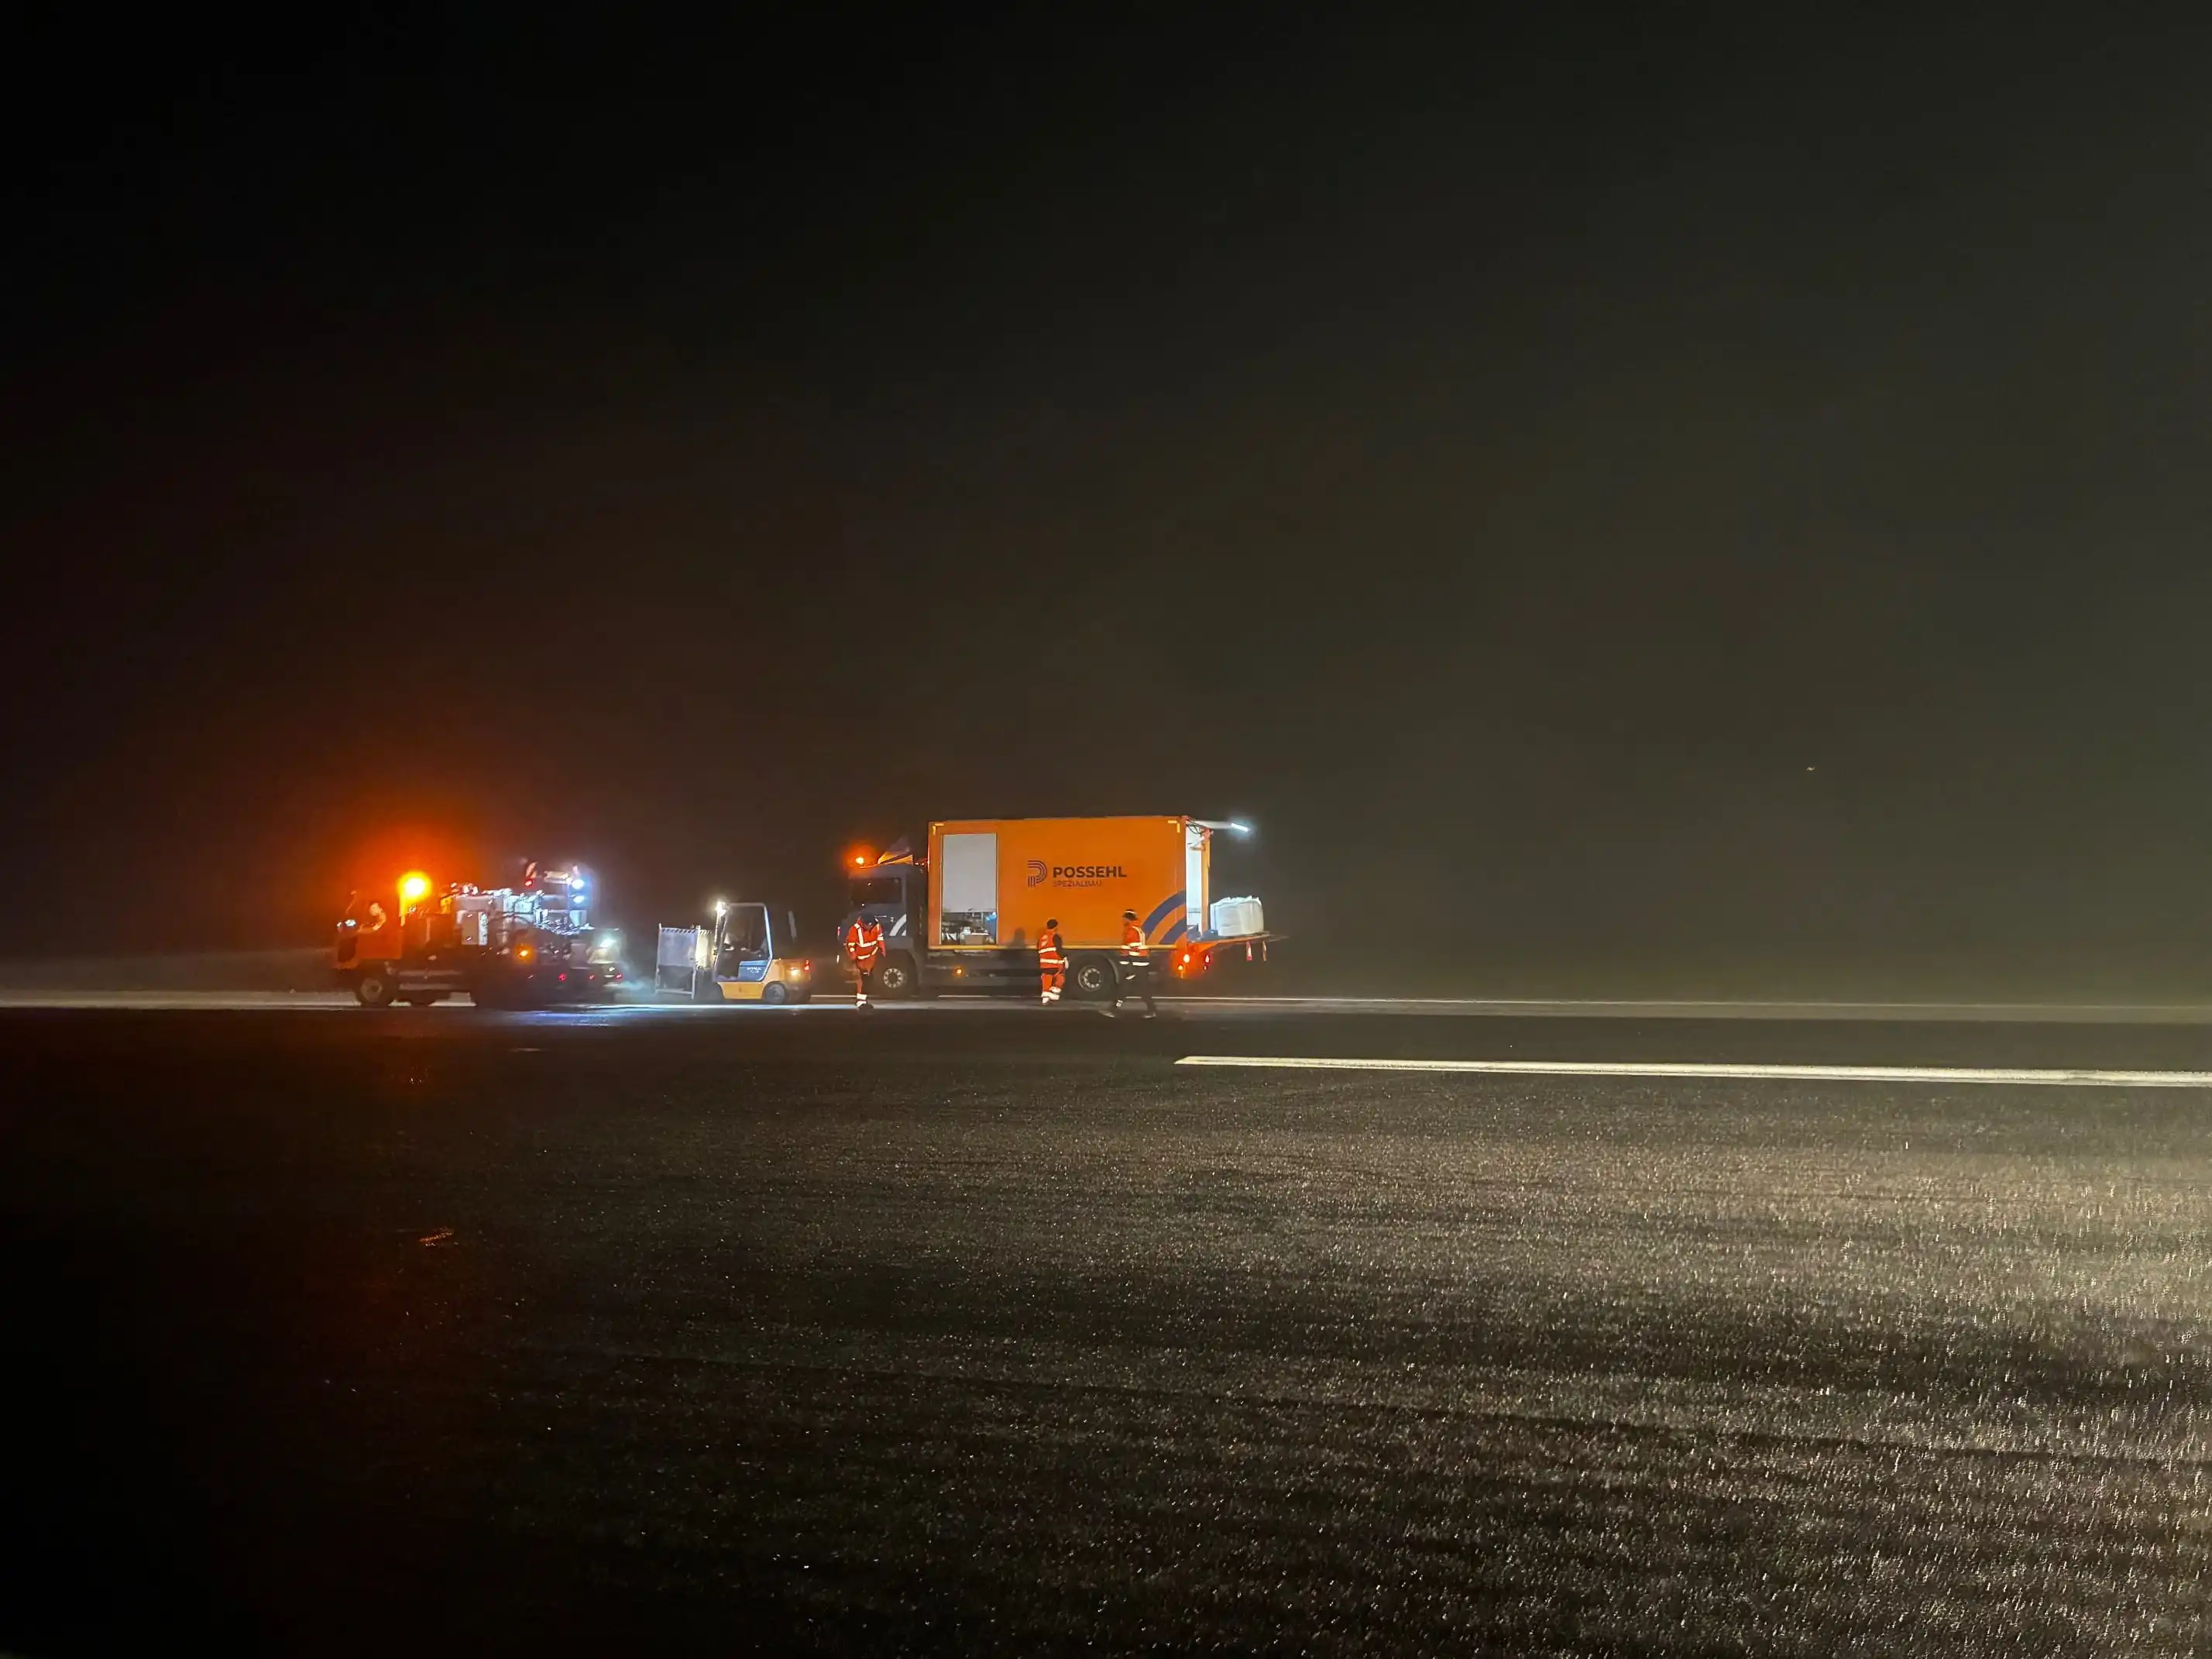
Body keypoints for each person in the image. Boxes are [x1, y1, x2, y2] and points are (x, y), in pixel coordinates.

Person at [1112, 907, 1156, 1017]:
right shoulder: (1139, 930)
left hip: (1136, 964)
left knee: (1129, 987)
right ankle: (1114, 1009)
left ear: (1128, 919)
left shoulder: (1131, 932)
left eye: (1124, 919)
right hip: (1140, 963)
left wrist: (1126, 965)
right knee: (1137, 988)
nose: (1123, 921)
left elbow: (1128, 950)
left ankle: (1114, 1009)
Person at [843, 913, 885, 1008]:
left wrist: (882, 951)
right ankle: (860, 1001)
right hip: (860, 959)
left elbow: (880, 938)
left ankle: (863, 1000)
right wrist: (854, 957)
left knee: (868, 980)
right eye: (867, 924)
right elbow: (850, 945)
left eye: (871, 924)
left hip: (871, 957)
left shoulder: (877, 926)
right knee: (862, 980)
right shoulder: (855, 929)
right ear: (863, 923)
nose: (869, 926)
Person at [1037, 917, 1066, 1005]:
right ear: (1056, 927)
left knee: (1047, 979)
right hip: (1055, 963)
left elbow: (1039, 949)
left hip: (1044, 964)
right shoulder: (1055, 937)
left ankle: (1045, 997)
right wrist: (1064, 959)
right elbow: (1059, 950)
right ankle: (1055, 992)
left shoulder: (1041, 938)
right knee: (1060, 977)